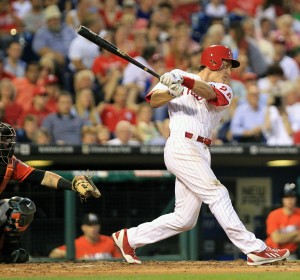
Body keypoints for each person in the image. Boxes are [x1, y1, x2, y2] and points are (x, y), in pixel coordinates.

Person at [112, 44, 290, 266]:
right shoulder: (177, 75)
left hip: (202, 150)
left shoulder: (225, 88)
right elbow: (154, 100)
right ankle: (255, 249)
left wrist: (183, 83)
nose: (229, 71)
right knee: (218, 194)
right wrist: (169, 91)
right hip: (182, 145)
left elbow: (209, 92)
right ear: (213, 61)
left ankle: (129, 238)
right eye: (226, 65)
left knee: (184, 219)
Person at [0, 122, 100, 263]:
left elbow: (40, 176)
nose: (7, 143)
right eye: (2, 140)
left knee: (21, 207)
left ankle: (6, 255)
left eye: (7, 139)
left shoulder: (10, 163)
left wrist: (72, 185)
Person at [49, 213, 121, 260]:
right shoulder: (76, 244)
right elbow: (53, 254)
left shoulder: (109, 241)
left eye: (95, 225)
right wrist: (71, 255)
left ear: (99, 226)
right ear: (83, 227)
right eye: (89, 225)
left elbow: (120, 260)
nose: (93, 228)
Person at [266, 183, 300, 260]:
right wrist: (296, 233)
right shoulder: (274, 215)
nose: (289, 200)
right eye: (286, 197)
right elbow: (277, 239)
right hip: (272, 254)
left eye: (292, 197)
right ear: (282, 199)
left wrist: (283, 237)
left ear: (296, 198)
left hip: (291, 255)